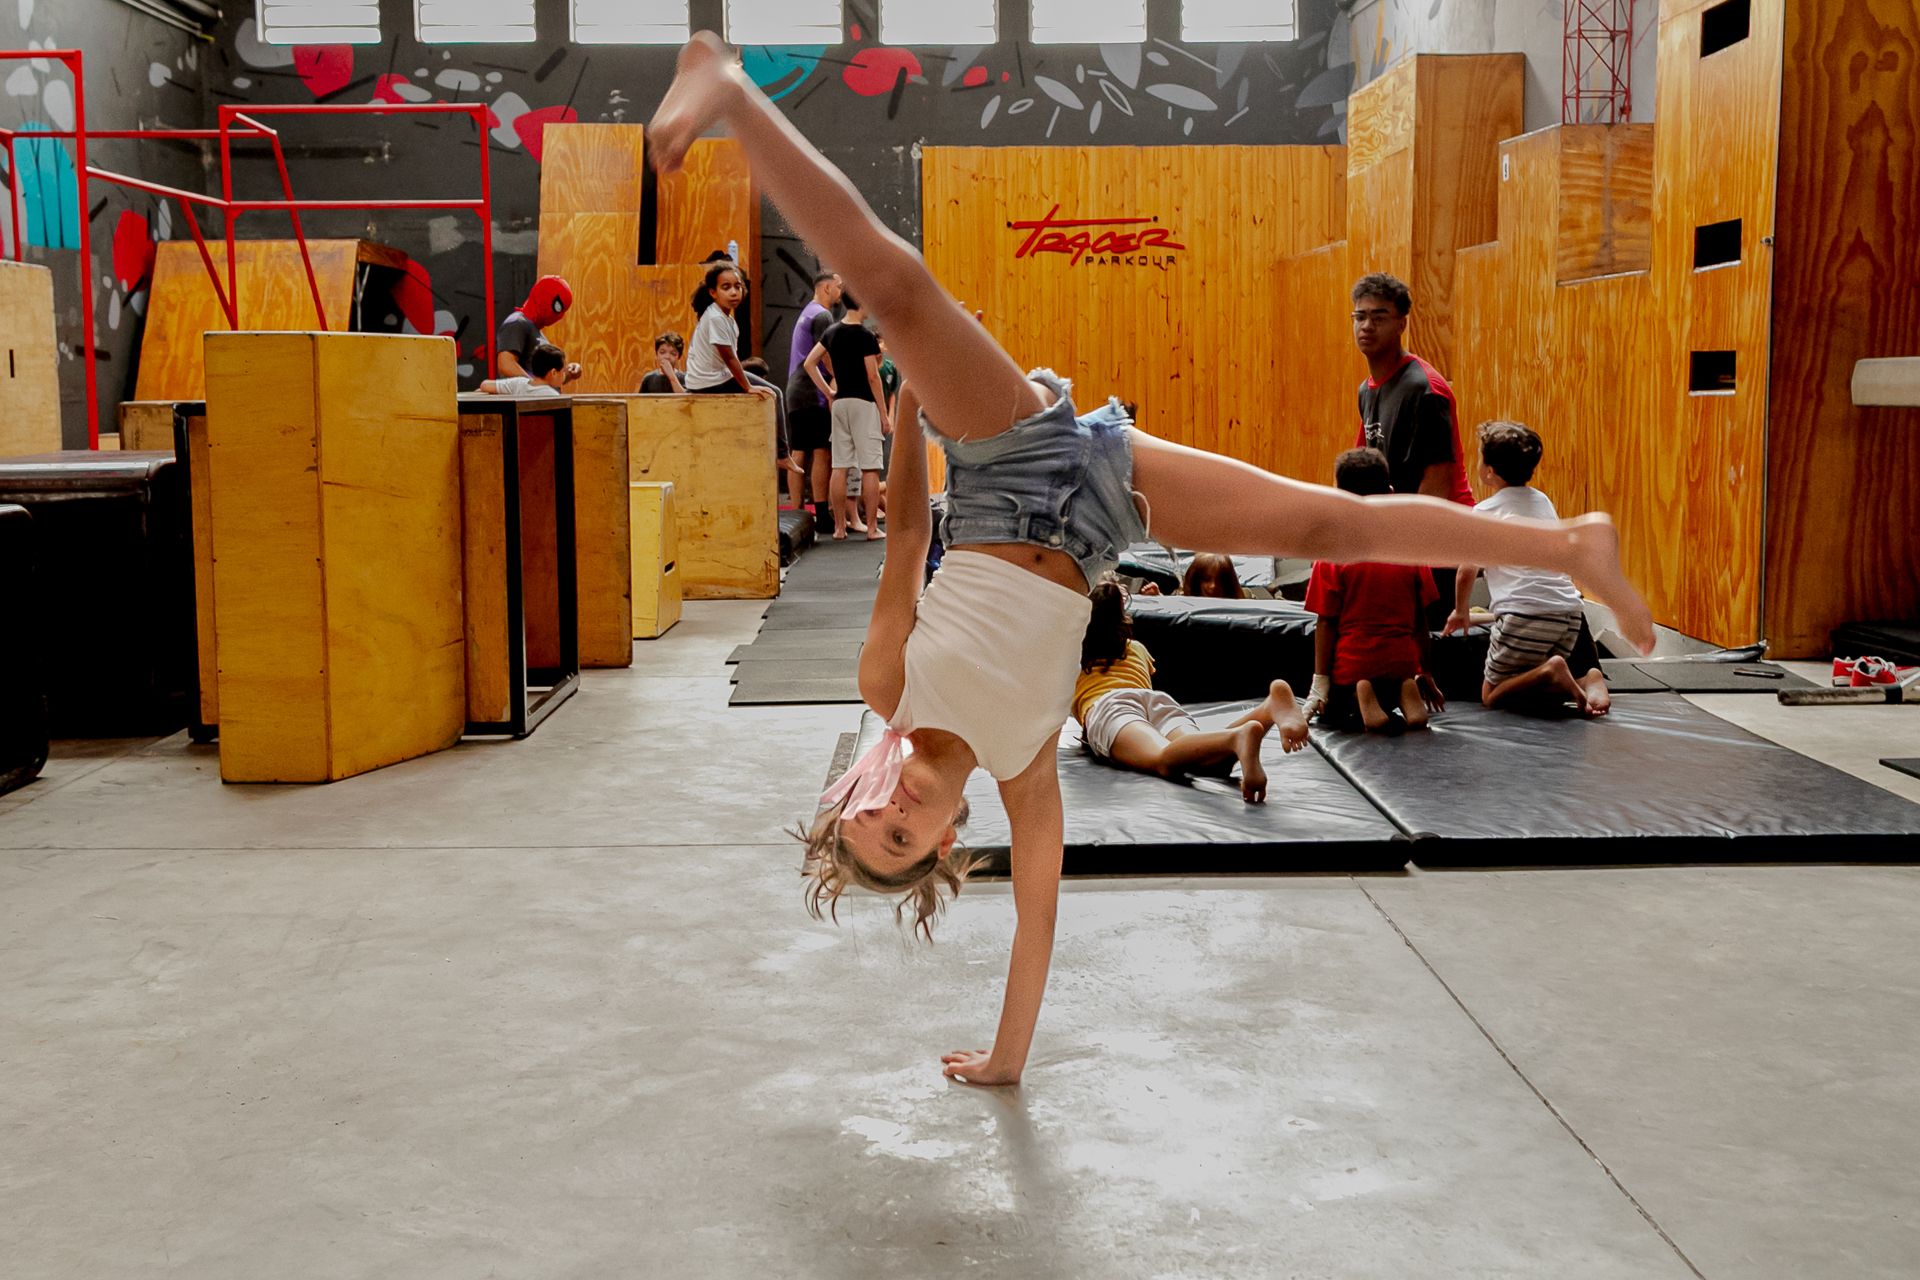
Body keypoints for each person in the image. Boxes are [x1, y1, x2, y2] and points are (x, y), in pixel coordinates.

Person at [649, 32, 1651, 1088]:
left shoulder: (887, 686)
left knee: (895, 294)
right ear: (949, 839)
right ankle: (1566, 541)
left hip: (1003, 465)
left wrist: (908, 418)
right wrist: (1005, 1056)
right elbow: (1037, 917)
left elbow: (905, 539)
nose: (892, 817)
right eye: (905, 840)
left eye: (872, 818)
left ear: (860, 790)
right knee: (1326, 525)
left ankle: (728, 86)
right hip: (1100, 513)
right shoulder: (1026, 771)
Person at [1075, 576, 1308, 803]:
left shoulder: (1074, 659)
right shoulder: (1136, 648)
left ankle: (1238, 735)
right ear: (1122, 620)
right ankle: (1268, 708)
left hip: (1110, 707)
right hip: (1155, 701)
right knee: (1204, 759)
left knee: (1163, 759)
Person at [1444, 421, 1612, 715]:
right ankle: (1588, 677)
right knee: (1530, 675)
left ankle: (1552, 673)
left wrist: (1461, 610)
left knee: (1491, 694)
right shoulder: (1542, 501)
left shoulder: (1485, 512)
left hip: (1524, 618)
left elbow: (1466, 570)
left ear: (1488, 471)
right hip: (1568, 615)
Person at [1302, 449, 1445, 733]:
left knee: (1334, 712)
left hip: (1352, 668)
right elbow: (1421, 620)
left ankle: (1360, 696)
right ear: (1390, 493)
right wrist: (1424, 671)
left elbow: (1326, 621)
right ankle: (1405, 688)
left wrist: (1321, 682)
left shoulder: (1333, 551)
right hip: (1401, 662)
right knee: (1397, 679)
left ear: (1339, 497)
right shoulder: (1408, 548)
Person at [803, 294, 891, 541]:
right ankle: (872, 528)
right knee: (870, 467)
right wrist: (883, 414)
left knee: (839, 465)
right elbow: (873, 377)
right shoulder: (865, 337)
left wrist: (829, 391)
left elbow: (810, 363)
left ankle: (839, 528)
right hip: (863, 403)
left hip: (840, 403)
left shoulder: (831, 332)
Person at [496, 275, 582, 384]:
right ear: (544, 296)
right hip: (525, 400)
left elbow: (547, 380)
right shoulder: (517, 322)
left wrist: (569, 373)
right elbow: (506, 365)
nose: (559, 316)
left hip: (539, 399)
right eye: (558, 307)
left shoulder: (535, 332)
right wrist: (535, 387)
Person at [479, 342, 567, 396]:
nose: (564, 375)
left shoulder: (518, 383)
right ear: (554, 372)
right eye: (563, 371)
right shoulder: (552, 396)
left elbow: (485, 385)